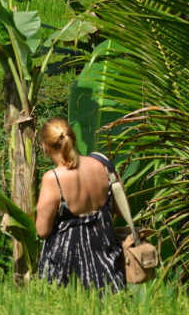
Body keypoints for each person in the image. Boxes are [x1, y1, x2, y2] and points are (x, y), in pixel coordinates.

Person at [34, 117, 125, 292]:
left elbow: (42, 231)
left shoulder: (53, 178)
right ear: (73, 138)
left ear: (45, 147)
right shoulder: (103, 164)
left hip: (66, 269)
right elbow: (120, 209)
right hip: (106, 262)